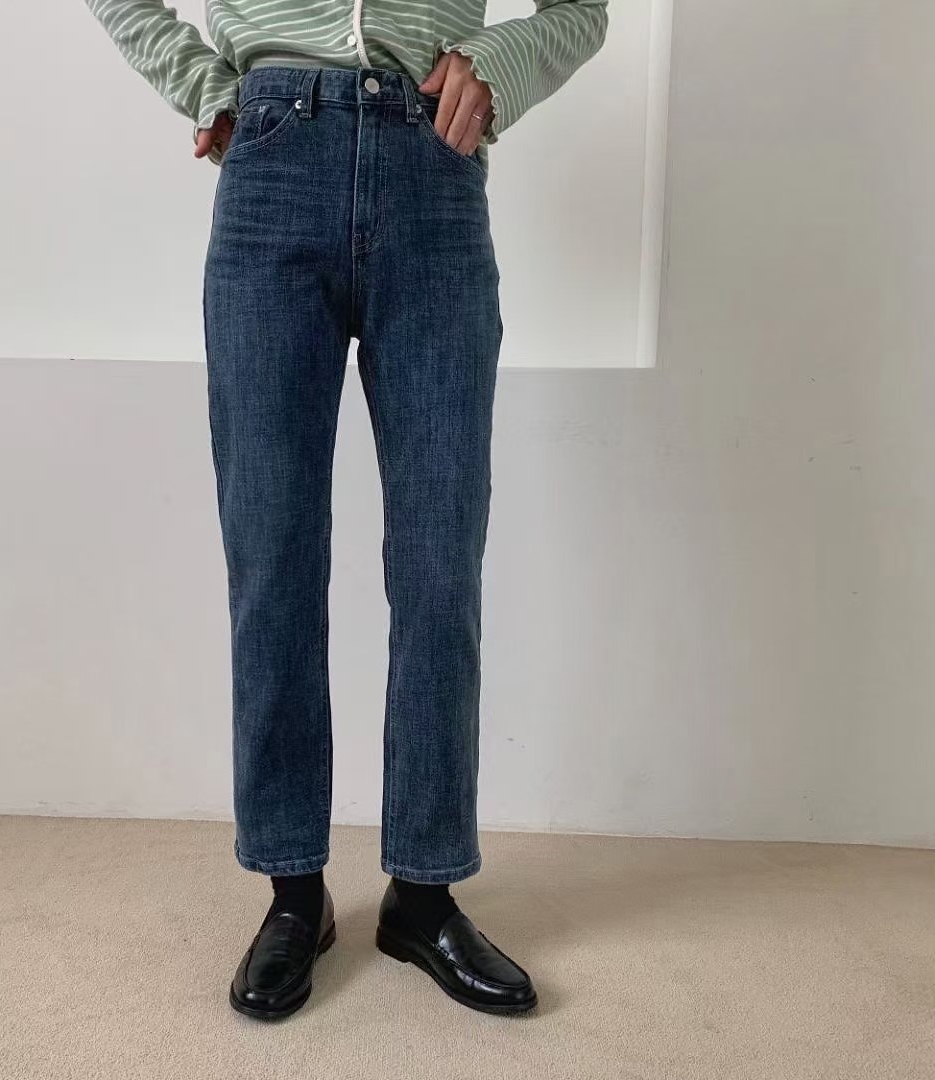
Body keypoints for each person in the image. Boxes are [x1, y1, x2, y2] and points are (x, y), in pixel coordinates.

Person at [82, 0, 609, 1020]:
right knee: (271, 554)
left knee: (440, 562)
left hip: (433, 169)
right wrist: (205, 86)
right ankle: (293, 893)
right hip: (273, 165)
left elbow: (581, 10)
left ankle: (424, 895)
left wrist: (499, 62)